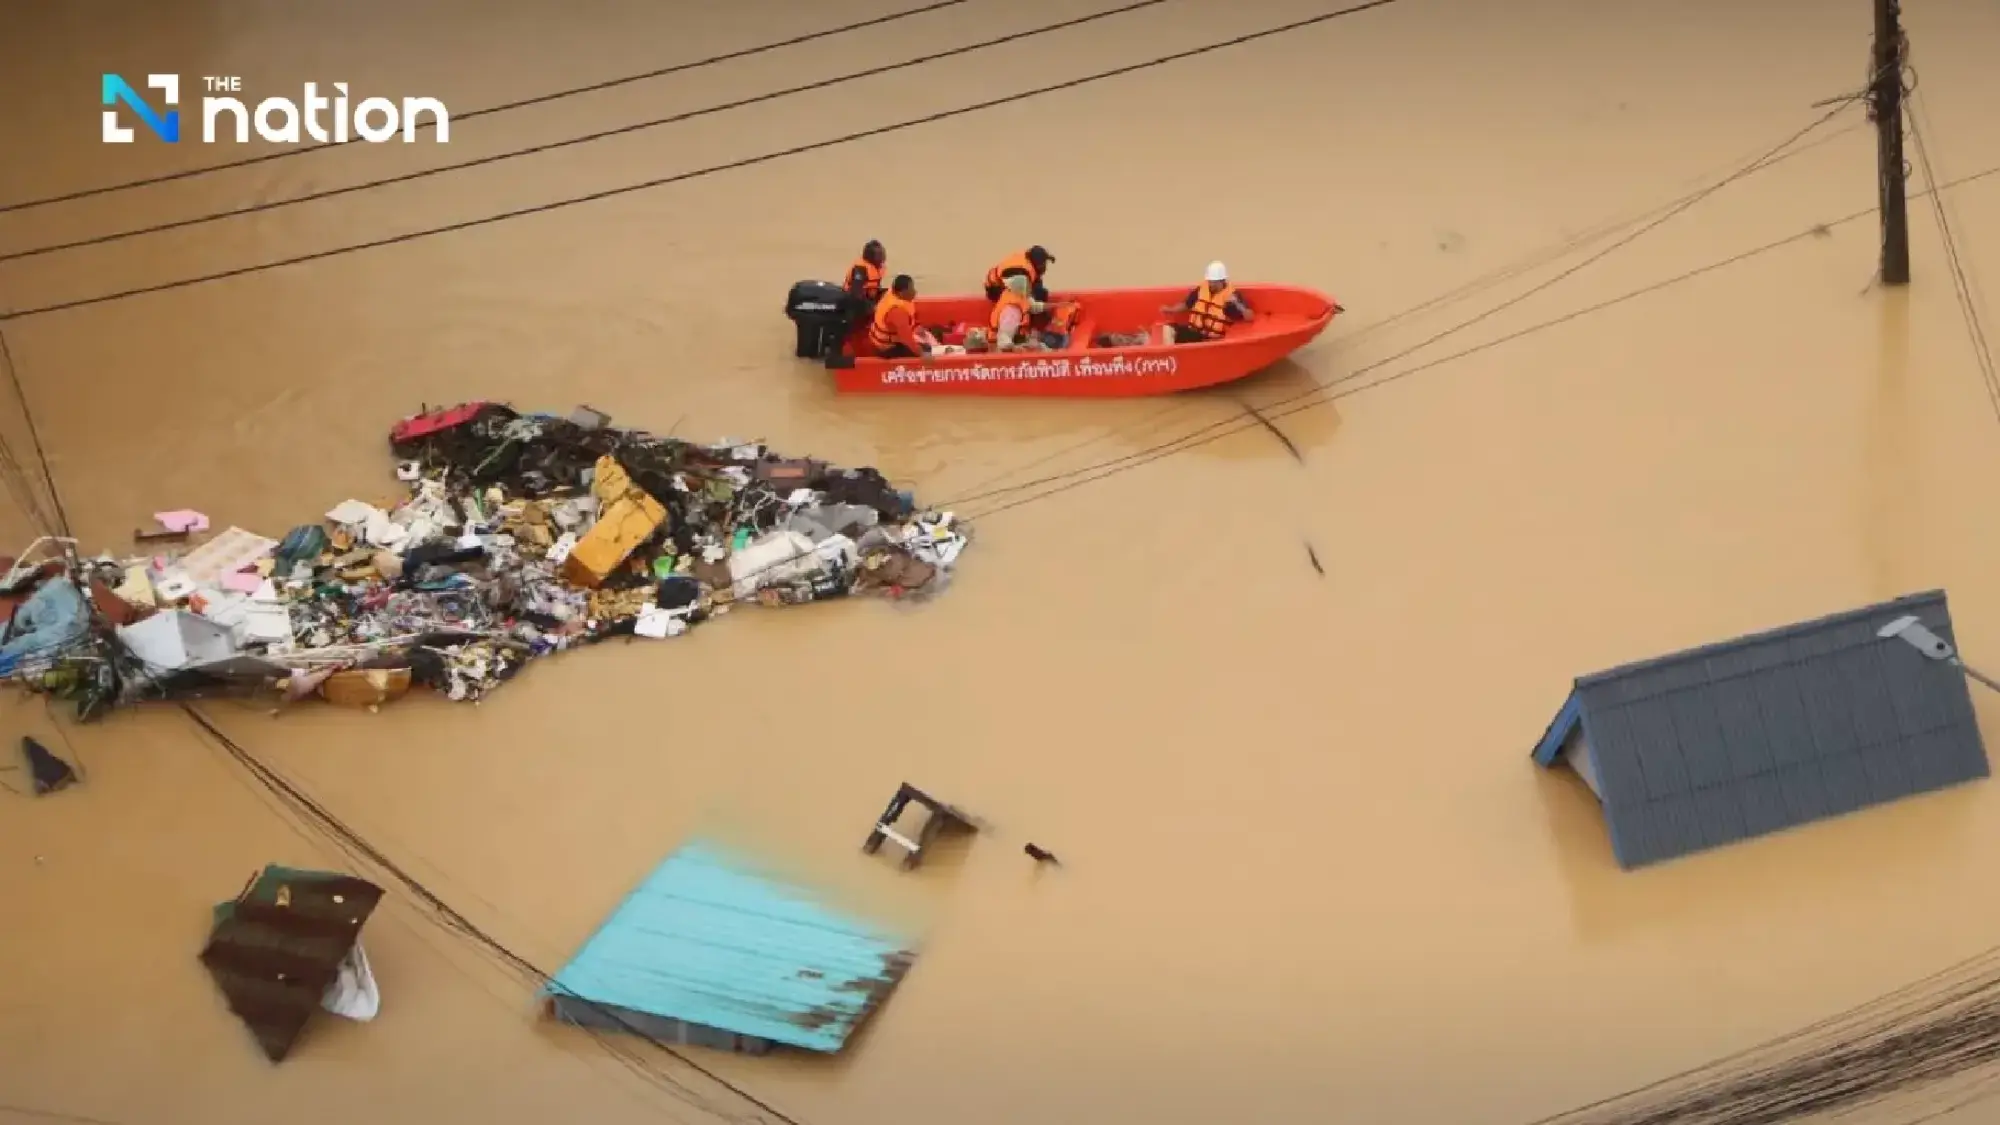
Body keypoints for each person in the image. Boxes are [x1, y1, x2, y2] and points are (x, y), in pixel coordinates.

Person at [1161, 261, 1254, 343]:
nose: (1211, 284)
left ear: (1222, 281)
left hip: (1212, 339)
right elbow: (1186, 304)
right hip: (1195, 332)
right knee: (1168, 328)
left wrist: (1237, 304)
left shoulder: (1233, 296)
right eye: (1210, 281)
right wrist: (1171, 310)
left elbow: (1250, 317)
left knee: (1175, 334)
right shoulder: (1201, 289)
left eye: (1214, 282)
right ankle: (1171, 356)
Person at [868, 274, 936, 359]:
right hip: (887, 348)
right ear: (902, 293)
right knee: (926, 349)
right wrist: (922, 353)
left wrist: (916, 327)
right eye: (911, 289)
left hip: (882, 341)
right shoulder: (897, 311)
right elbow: (906, 339)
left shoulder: (891, 294)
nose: (915, 291)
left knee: (924, 344)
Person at [988, 273, 1047, 351]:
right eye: (1028, 286)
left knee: (1040, 344)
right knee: (1039, 347)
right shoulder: (1012, 311)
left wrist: (1057, 305)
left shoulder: (1018, 297)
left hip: (1015, 340)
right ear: (1021, 289)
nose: (1030, 288)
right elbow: (1004, 339)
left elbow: (1034, 306)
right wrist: (1015, 348)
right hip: (1002, 347)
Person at [984, 245, 1054, 303]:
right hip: (995, 289)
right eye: (1042, 265)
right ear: (1036, 264)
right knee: (1037, 296)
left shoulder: (1027, 264)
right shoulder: (1021, 271)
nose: (1044, 267)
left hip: (1004, 282)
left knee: (1040, 293)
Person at [845, 240, 887, 305]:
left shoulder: (879, 266)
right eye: (879, 255)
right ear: (870, 257)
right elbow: (856, 293)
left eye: (882, 253)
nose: (883, 257)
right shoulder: (860, 269)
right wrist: (871, 306)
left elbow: (875, 285)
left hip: (871, 296)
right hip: (857, 302)